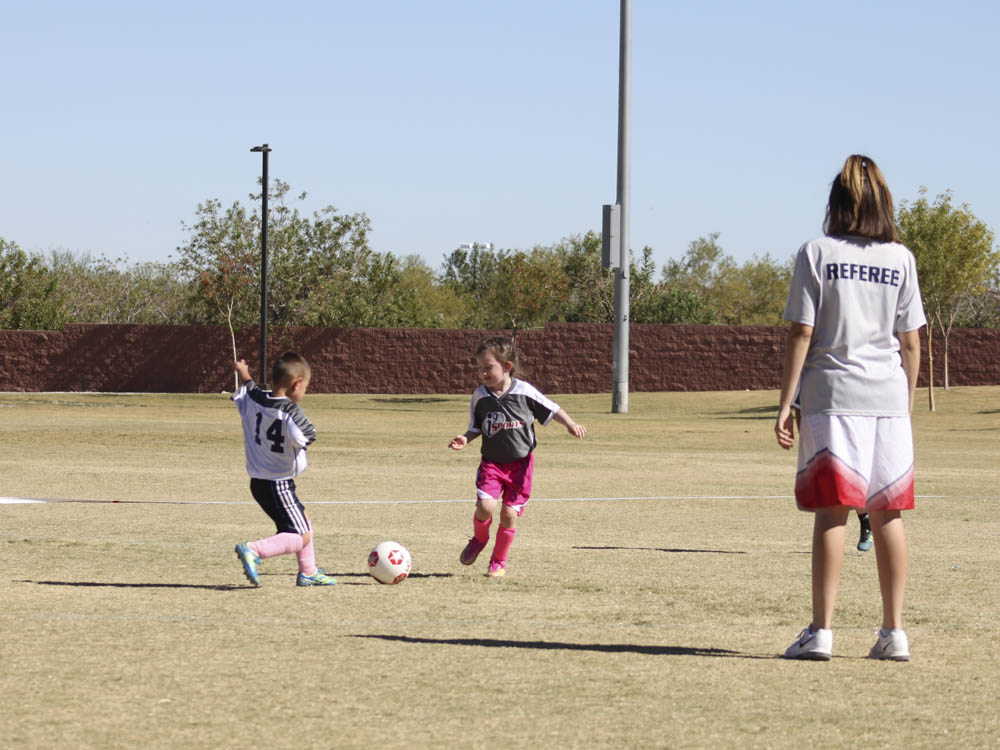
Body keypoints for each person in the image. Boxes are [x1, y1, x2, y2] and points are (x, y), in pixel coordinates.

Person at [775, 155, 925, 661]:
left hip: (832, 397)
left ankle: (821, 632)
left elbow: (801, 332)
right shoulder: (901, 258)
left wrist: (785, 403)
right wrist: (904, 405)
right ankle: (894, 633)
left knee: (831, 512)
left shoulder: (816, 252)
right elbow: (911, 342)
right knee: (888, 514)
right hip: (888, 401)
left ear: (836, 201)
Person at [449, 336, 587, 578]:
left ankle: (498, 561)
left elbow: (553, 408)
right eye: (480, 368)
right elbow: (476, 427)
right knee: (485, 507)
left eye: (488, 367)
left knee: (509, 515)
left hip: (521, 467)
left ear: (506, 366)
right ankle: (479, 540)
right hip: (492, 464)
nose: (483, 373)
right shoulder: (480, 397)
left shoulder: (524, 392)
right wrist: (465, 439)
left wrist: (570, 424)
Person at [232, 352, 337, 587]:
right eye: (306, 387)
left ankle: (308, 571)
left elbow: (248, 387)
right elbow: (307, 436)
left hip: (258, 482)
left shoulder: (255, 398)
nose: (304, 392)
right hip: (278, 484)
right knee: (301, 535)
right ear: (296, 383)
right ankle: (254, 550)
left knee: (303, 518)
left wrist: (243, 372)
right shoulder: (291, 412)